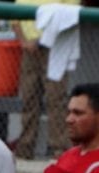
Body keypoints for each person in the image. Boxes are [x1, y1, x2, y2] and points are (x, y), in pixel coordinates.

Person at [13, 0, 79, 159]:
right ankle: (25, 148)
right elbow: (14, 18)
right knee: (29, 97)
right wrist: (24, 41)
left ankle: (59, 148)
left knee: (56, 98)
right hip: (29, 49)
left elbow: (70, 16)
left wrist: (43, 38)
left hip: (55, 47)